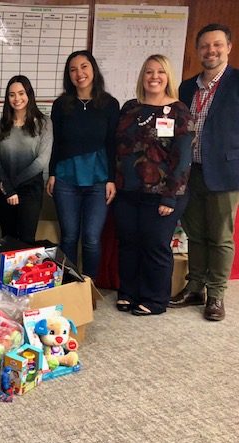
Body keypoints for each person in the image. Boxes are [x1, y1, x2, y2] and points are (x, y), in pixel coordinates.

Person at [169, 23, 239, 322]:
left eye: (217, 45)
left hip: (225, 171)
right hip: (190, 171)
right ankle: (195, 286)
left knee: (221, 236)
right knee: (195, 233)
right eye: (205, 46)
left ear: (228, 48)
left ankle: (216, 294)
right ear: (197, 51)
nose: (211, 50)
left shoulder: (236, 82)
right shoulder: (186, 87)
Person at [114, 54, 193, 316]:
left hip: (163, 194)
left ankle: (155, 299)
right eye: (148, 72)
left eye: (160, 72)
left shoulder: (179, 111)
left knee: (155, 245)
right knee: (128, 243)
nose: (154, 77)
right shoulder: (130, 108)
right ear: (142, 76)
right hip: (127, 190)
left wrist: (170, 197)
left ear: (168, 76)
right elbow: (118, 149)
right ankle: (128, 292)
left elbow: (182, 159)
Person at [46, 50, 120, 279]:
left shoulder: (109, 104)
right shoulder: (61, 105)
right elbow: (56, 142)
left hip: (98, 179)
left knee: (91, 238)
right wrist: (52, 173)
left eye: (84, 66)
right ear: (68, 75)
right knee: (68, 236)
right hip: (66, 178)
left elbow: (112, 144)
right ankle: (68, 283)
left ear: (93, 69)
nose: (79, 73)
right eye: (73, 69)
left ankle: (89, 287)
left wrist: (111, 179)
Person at [0, 75, 52, 244]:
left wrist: (12, 185)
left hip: (30, 189)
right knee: (7, 240)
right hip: (4, 189)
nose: (17, 98)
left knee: (26, 241)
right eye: (11, 94)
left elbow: (41, 161)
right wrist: (7, 187)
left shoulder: (44, 123)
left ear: (29, 94)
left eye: (21, 93)